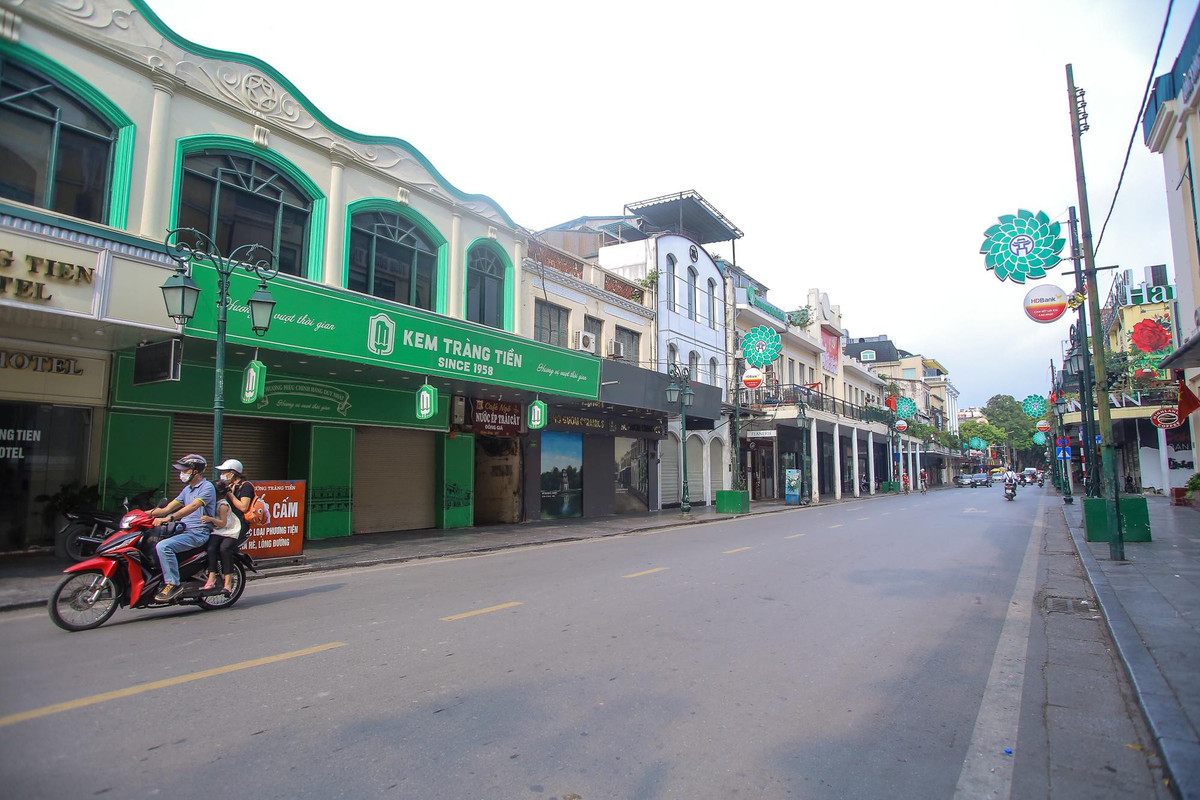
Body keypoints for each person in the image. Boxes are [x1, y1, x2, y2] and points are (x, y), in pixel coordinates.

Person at [148, 454, 216, 602]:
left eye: (185, 470)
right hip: (183, 529)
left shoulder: (207, 487)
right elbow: (166, 509)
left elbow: (193, 506)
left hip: (198, 533)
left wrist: (170, 518)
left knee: (164, 546)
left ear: (195, 471)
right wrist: (140, 515)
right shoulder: (187, 490)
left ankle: (173, 584)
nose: (182, 473)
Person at [200, 480, 242, 593]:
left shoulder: (223, 505)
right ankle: (211, 576)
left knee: (224, 549)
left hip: (229, 531)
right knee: (211, 548)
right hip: (217, 531)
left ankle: (228, 584)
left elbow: (223, 523)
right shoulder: (210, 503)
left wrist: (210, 519)